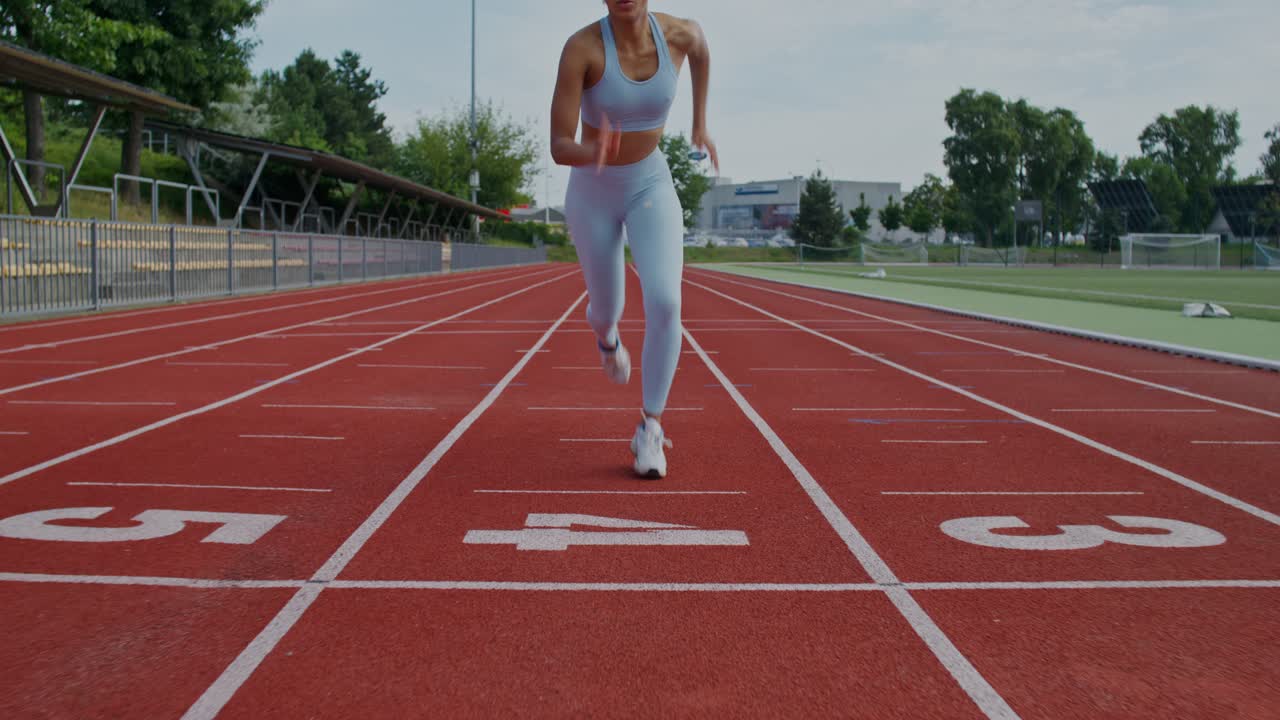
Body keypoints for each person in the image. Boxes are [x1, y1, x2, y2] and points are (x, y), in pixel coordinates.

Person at [550, 0, 717, 479]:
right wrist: (591, 149)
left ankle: (650, 427)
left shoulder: (680, 34)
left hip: (651, 183)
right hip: (592, 189)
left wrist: (700, 122)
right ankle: (606, 339)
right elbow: (559, 144)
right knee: (606, 312)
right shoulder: (582, 48)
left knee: (666, 300)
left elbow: (703, 53)